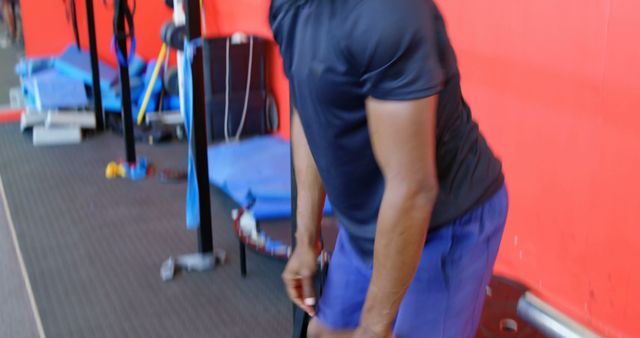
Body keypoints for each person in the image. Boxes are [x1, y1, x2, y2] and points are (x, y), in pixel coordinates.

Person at [270, 0, 508, 337]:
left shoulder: (387, 10)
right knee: (323, 333)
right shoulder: (288, 6)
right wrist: (306, 241)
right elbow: (309, 111)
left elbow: (413, 189)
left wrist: (373, 326)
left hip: (446, 220)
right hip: (371, 219)